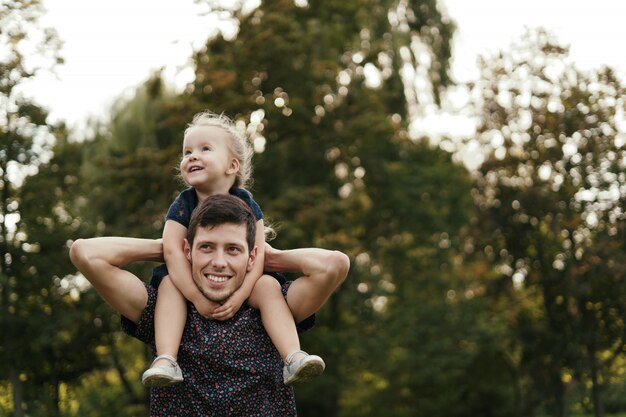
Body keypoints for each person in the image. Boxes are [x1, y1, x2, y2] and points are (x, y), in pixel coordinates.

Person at [70, 194, 348, 415]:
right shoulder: (166, 309)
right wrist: (168, 248)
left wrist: (269, 257)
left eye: (232, 249)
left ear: (252, 257)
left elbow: (333, 264)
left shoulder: (274, 306)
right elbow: (86, 253)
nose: (219, 261)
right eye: (206, 247)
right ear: (188, 251)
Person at [135, 111, 346, 388]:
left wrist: (242, 294)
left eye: (204, 149)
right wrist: (196, 297)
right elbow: (173, 252)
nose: (192, 156)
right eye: (187, 152)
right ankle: (166, 360)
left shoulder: (246, 202)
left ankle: (292, 356)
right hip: (189, 278)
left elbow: (257, 255)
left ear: (232, 165)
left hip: (244, 278)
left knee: (268, 285)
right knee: (168, 286)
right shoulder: (184, 203)